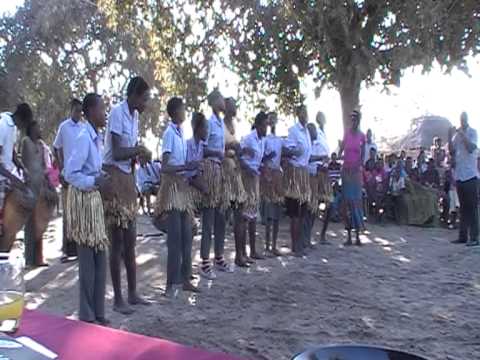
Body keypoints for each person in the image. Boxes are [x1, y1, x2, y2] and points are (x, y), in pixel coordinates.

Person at [103, 76, 151, 314]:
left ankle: (133, 293)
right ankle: (118, 298)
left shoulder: (135, 116)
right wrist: (139, 150)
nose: (146, 103)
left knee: (131, 240)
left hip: (127, 179)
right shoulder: (117, 113)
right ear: (133, 95)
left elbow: (129, 154)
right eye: (144, 98)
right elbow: (119, 151)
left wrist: (138, 158)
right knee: (117, 242)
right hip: (113, 177)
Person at [65, 93, 110, 325]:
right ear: (91, 111)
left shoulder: (97, 137)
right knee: (88, 260)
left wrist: (100, 178)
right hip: (84, 204)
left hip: (94, 202)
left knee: (100, 257)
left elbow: (92, 169)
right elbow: (70, 173)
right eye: (102, 108)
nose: (105, 112)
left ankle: (98, 312)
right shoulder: (84, 137)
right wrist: (94, 182)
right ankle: (87, 315)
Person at [155, 97, 199, 296]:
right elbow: (164, 166)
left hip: (182, 188)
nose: (185, 112)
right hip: (172, 189)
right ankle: (170, 284)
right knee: (175, 238)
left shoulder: (181, 133)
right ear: (175, 112)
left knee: (187, 235)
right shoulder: (169, 135)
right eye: (182, 109)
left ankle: (185, 278)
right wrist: (184, 167)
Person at [199, 90, 232, 279]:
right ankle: (205, 262)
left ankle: (219, 257)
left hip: (220, 171)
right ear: (213, 102)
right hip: (210, 170)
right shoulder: (210, 123)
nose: (223, 102)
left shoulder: (221, 125)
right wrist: (216, 153)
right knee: (208, 219)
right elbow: (202, 148)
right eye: (220, 98)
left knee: (221, 217)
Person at [22, 121, 57, 267]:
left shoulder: (42, 146)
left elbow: (46, 166)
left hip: (41, 188)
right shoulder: (26, 142)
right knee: (30, 224)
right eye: (35, 127)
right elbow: (23, 162)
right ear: (30, 129)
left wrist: (49, 182)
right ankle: (29, 259)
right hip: (30, 187)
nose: (38, 130)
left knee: (40, 223)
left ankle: (39, 258)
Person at [53, 98, 84, 262]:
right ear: (71, 109)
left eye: (81, 111)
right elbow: (56, 147)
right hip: (67, 176)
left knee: (78, 211)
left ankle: (77, 248)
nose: (79, 114)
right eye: (77, 110)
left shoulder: (83, 128)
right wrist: (60, 169)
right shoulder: (64, 127)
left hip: (79, 175)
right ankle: (66, 250)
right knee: (67, 213)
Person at [284, 105, 312, 256]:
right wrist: (295, 151)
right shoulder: (294, 131)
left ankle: (300, 243)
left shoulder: (307, 131)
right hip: (295, 174)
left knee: (303, 212)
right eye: (303, 112)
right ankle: (295, 246)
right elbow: (286, 150)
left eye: (306, 113)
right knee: (295, 212)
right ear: (298, 114)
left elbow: (307, 155)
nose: (305, 115)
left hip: (304, 174)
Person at [0, 104, 32, 237]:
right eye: (25, 124)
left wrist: (21, 168)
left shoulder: (14, 128)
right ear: (21, 118)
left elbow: (11, 152)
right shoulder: (2, 124)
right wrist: (15, 180)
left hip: (5, 177)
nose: (23, 128)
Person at [449, 112, 479, 246]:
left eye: (464, 118)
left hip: (471, 176)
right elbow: (452, 151)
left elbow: (471, 148)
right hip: (460, 176)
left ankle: (475, 238)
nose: (462, 121)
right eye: (460, 119)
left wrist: (462, 134)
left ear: (467, 119)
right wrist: (450, 137)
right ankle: (463, 237)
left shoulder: (473, 132)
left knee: (472, 208)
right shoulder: (456, 136)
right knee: (463, 208)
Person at [338, 110, 366, 246]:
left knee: (356, 204)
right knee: (347, 204)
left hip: (355, 173)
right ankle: (348, 235)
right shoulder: (347, 134)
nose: (353, 121)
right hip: (346, 172)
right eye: (351, 119)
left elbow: (363, 156)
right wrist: (338, 157)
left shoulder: (362, 137)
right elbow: (341, 149)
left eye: (355, 119)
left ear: (359, 120)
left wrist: (357, 166)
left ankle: (357, 235)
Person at [261, 112, 284, 256]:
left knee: (276, 213)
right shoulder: (265, 140)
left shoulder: (280, 140)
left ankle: (274, 245)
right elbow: (261, 157)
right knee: (269, 213)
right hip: (268, 175)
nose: (273, 123)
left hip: (277, 175)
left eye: (275, 120)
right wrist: (268, 157)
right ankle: (267, 245)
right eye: (271, 120)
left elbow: (284, 154)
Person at [186, 112, 208, 197]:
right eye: (205, 128)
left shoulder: (202, 146)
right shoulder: (187, 146)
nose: (207, 131)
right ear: (198, 129)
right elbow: (185, 172)